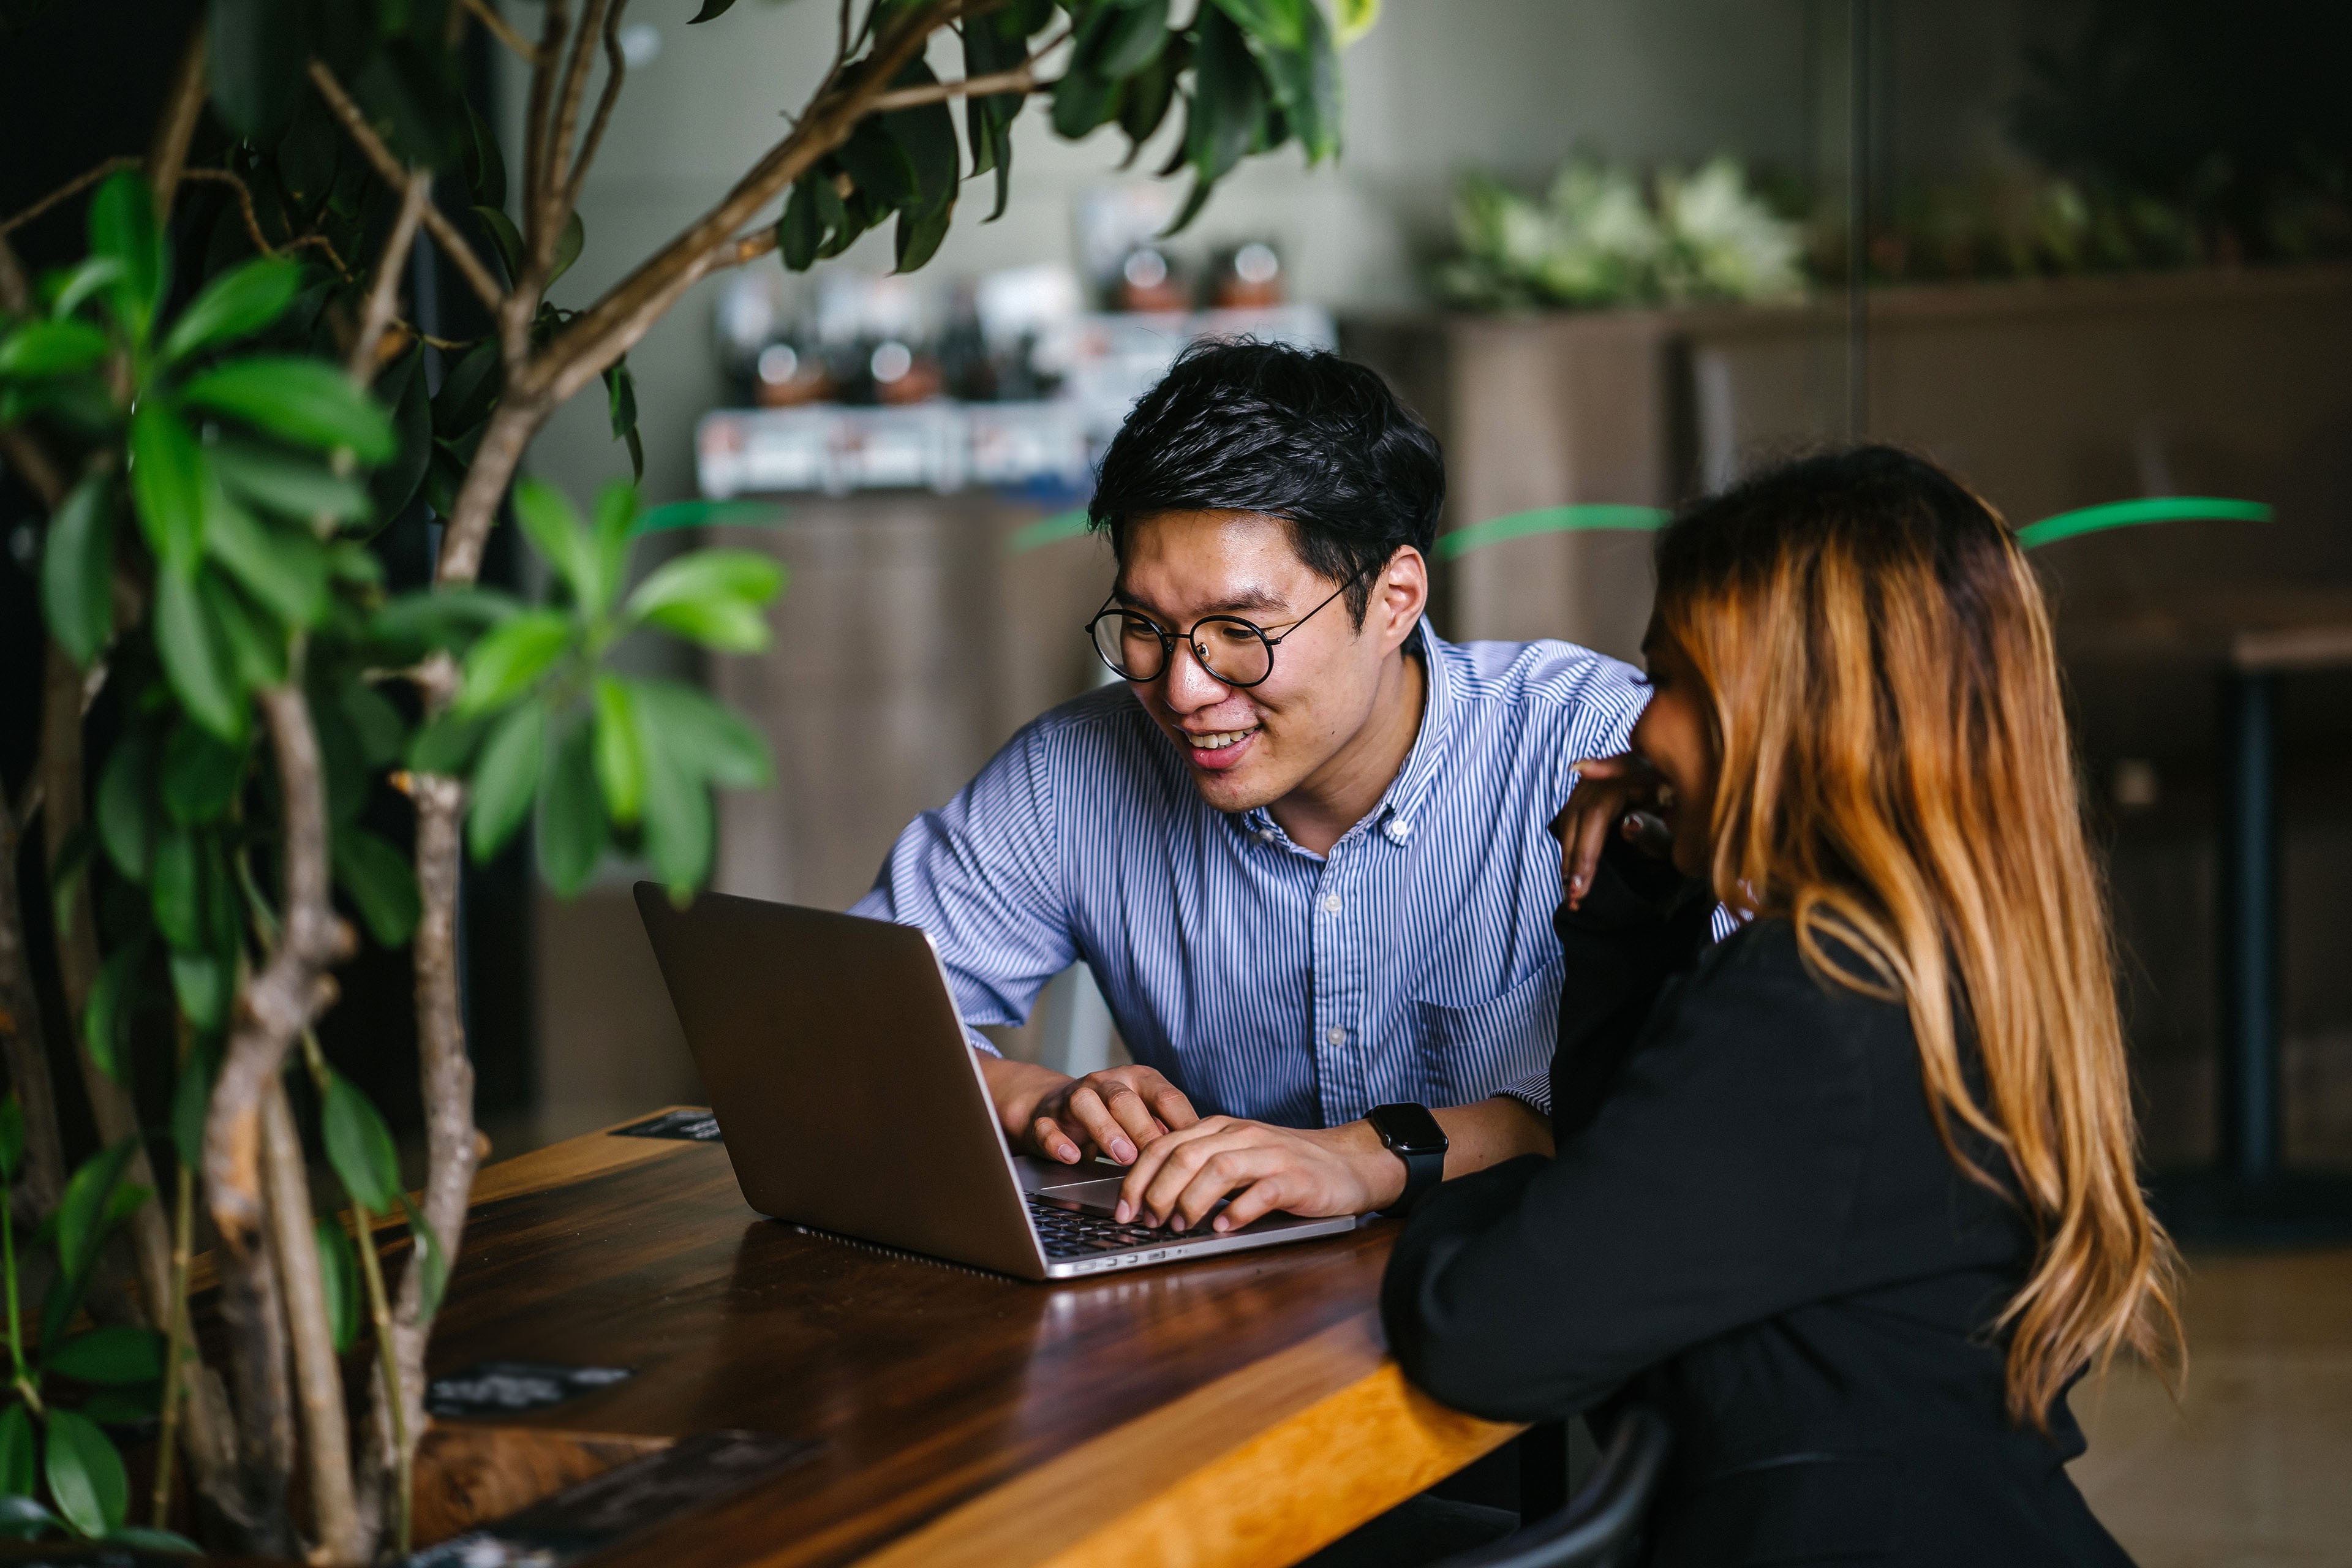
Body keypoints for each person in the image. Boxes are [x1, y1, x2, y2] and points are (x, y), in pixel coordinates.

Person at [1379, 446, 2185, 1565]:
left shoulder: (1813, 1003)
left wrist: (1459, 1194)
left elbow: (1488, 1338)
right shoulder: (1937, 968)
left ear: (1789, 718)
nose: (1639, 732)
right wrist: (1640, 897)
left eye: (1668, 682)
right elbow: (1651, 1189)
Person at [851, 341, 1657, 1223]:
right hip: (1243, 1322)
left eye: (1240, 630)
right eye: (1146, 626)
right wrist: (1029, 1097)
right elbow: (843, 1021)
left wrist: (1371, 1156)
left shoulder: (1599, 748)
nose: (1181, 691)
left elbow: (1741, 1085)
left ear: (1394, 598)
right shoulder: (1074, 774)